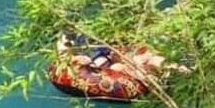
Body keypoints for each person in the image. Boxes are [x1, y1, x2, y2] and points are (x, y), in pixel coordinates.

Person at [56, 32, 191, 79]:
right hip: (110, 66)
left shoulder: (118, 50)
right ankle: (176, 69)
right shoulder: (77, 54)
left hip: (123, 60)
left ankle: (180, 69)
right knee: (119, 66)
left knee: (150, 60)